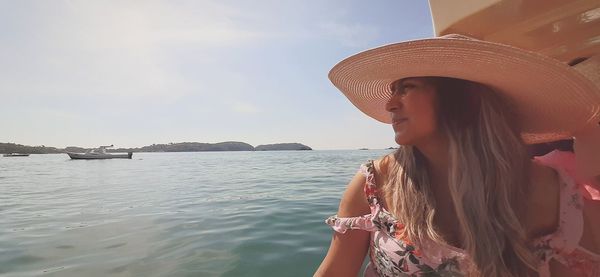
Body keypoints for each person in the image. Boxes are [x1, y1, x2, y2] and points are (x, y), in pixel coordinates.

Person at [314, 34, 600, 276]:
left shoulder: (553, 192)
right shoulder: (375, 183)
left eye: (406, 88)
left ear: (462, 98)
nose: (389, 104)